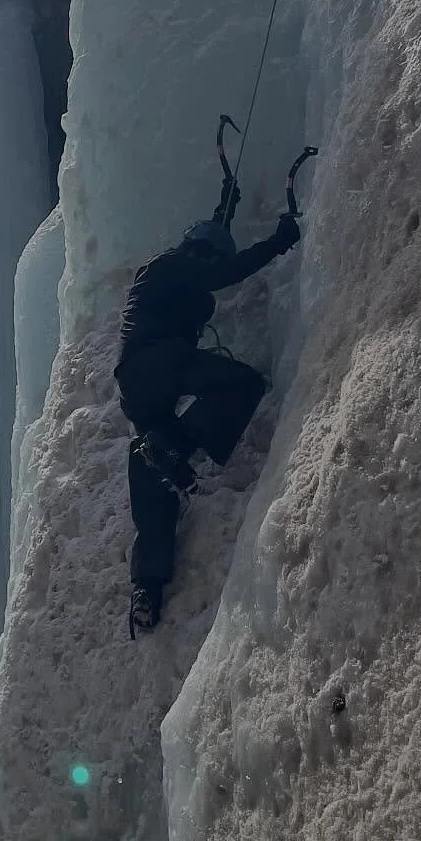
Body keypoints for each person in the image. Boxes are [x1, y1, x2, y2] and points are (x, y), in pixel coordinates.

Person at [115, 211, 300, 633]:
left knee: (150, 467)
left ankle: (147, 585)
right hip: (162, 361)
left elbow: (207, 260)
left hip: (132, 383)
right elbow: (223, 273)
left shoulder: (162, 274)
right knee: (243, 384)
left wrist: (224, 211)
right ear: (201, 252)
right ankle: (174, 448)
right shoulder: (173, 264)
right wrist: (278, 242)